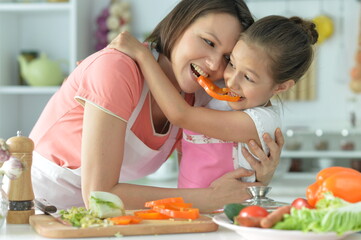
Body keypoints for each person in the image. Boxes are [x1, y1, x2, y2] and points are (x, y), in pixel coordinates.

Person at [29, 0, 283, 213]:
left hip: (96, 220)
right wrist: (211, 199)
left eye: (227, 58)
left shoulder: (194, 97)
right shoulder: (116, 69)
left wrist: (260, 176)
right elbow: (99, 195)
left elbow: (206, 176)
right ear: (178, 25)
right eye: (208, 42)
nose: (214, 64)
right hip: (27, 211)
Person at [108, 15, 318, 188]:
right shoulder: (219, 96)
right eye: (232, 64)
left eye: (249, 78)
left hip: (229, 214)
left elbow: (181, 115)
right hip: (196, 209)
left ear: (281, 87)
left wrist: (142, 56)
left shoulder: (260, 122)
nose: (232, 81)